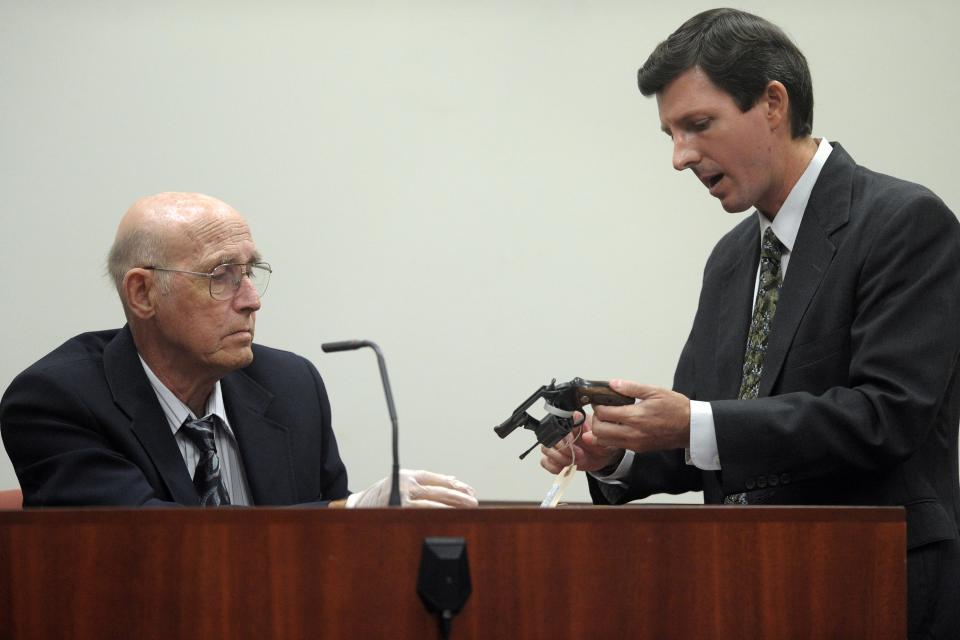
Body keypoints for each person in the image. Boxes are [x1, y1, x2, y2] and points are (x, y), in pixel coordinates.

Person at [540, 9, 959, 637]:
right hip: (748, 590)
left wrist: (694, 422)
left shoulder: (904, 222)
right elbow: (705, 438)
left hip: (872, 588)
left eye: (698, 125)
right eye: (670, 135)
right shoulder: (732, 259)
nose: (681, 157)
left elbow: (886, 417)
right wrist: (616, 452)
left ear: (772, 103)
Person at [0, 192, 478, 509]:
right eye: (221, 275)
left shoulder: (291, 386)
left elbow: (328, 553)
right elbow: (148, 543)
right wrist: (349, 511)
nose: (251, 300)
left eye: (252, 271)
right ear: (143, 293)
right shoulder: (55, 400)